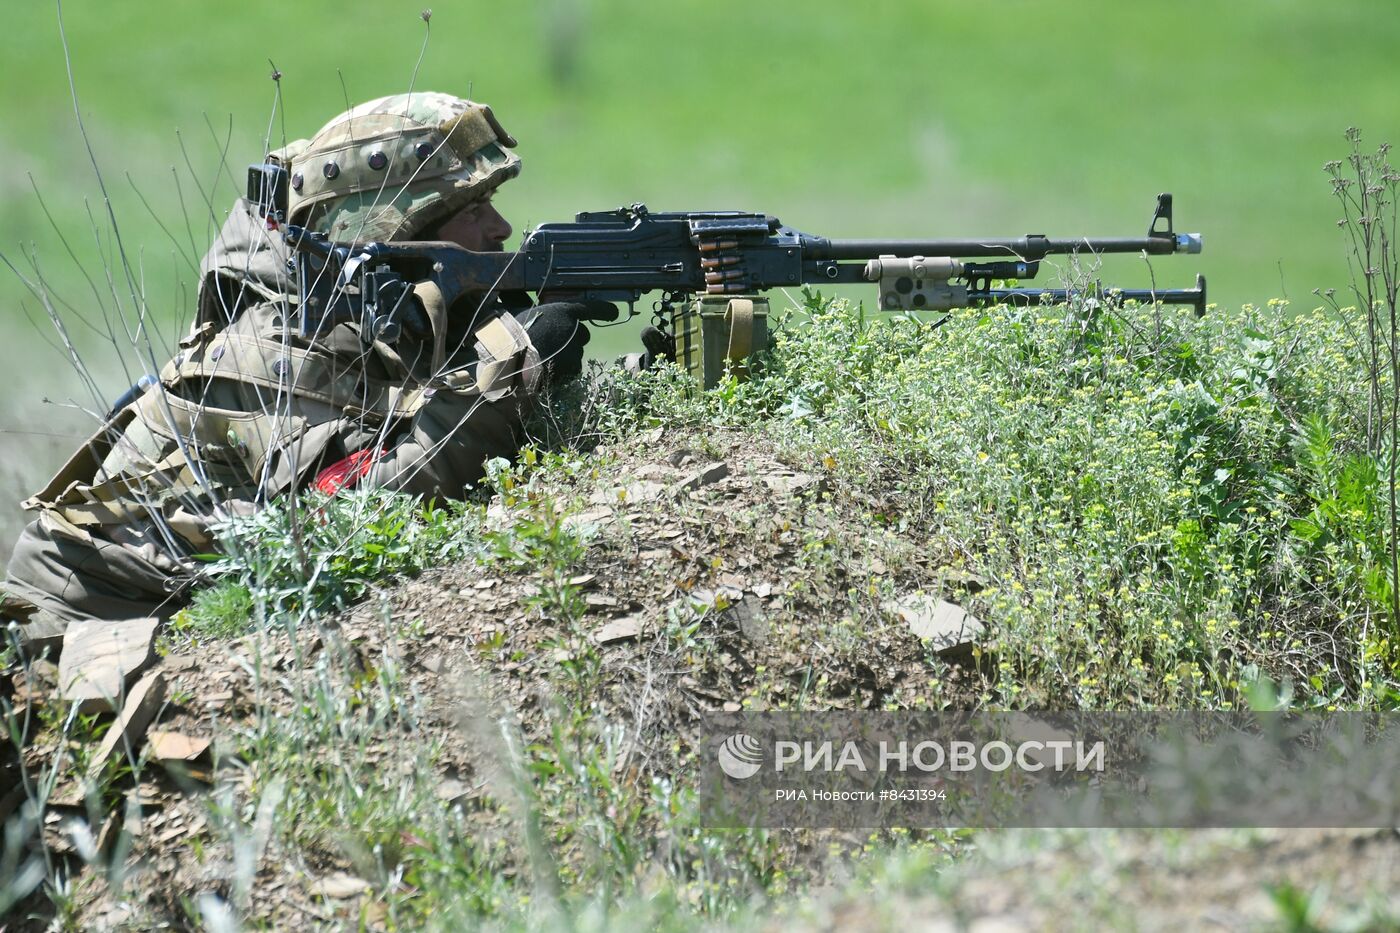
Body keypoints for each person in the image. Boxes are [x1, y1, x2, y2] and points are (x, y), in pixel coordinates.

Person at [0, 92, 603, 631]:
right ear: (397, 231)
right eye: (474, 209)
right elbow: (355, 516)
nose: (500, 227)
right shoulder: (278, 349)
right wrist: (506, 375)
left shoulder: (370, 314)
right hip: (76, 626)